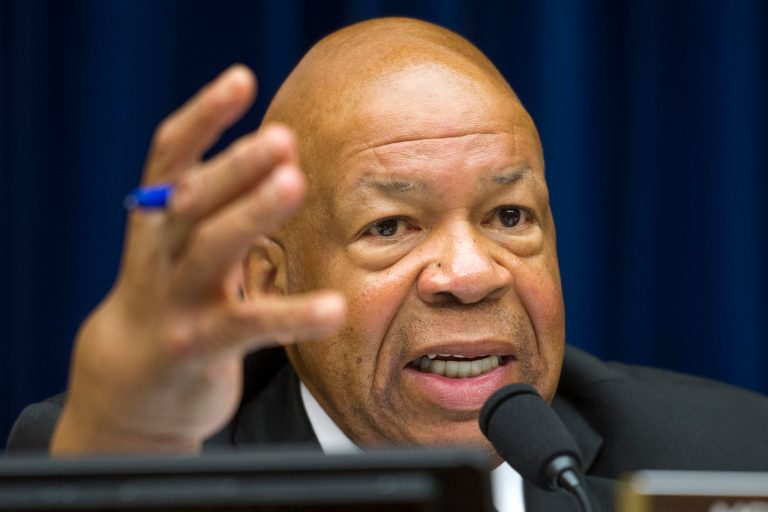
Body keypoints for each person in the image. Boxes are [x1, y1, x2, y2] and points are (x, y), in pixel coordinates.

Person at [7, 17, 768, 511]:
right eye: (392, 225)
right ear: (270, 279)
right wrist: (119, 444)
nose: (471, 275)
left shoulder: (732, 458)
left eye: (509, 216)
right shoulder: (143, 460)